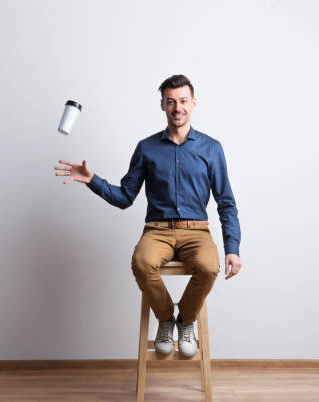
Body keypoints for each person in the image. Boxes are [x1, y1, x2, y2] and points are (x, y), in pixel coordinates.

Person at [54, 74, 242, 357]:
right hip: (157, 231)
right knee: (142, 262)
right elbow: (124, 198)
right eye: (170, 102)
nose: (177, 107)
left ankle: (186, 319)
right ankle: (166, 319)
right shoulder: (147, 148)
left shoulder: (211, 148)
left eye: (182, 101)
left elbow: (226, 201)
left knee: (208, 266)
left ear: (193, 103)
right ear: (162, 105)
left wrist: (233, 248)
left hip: (196, 232)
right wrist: (92, 180)